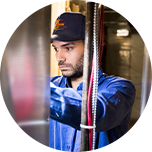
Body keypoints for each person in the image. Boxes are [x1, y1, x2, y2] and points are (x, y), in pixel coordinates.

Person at [49, 12, 136, 152]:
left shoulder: (120, 89)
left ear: (91, 48)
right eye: (56, 49)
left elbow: (96, 112)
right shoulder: (52, 85)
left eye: (68, 48)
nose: (59, 57)